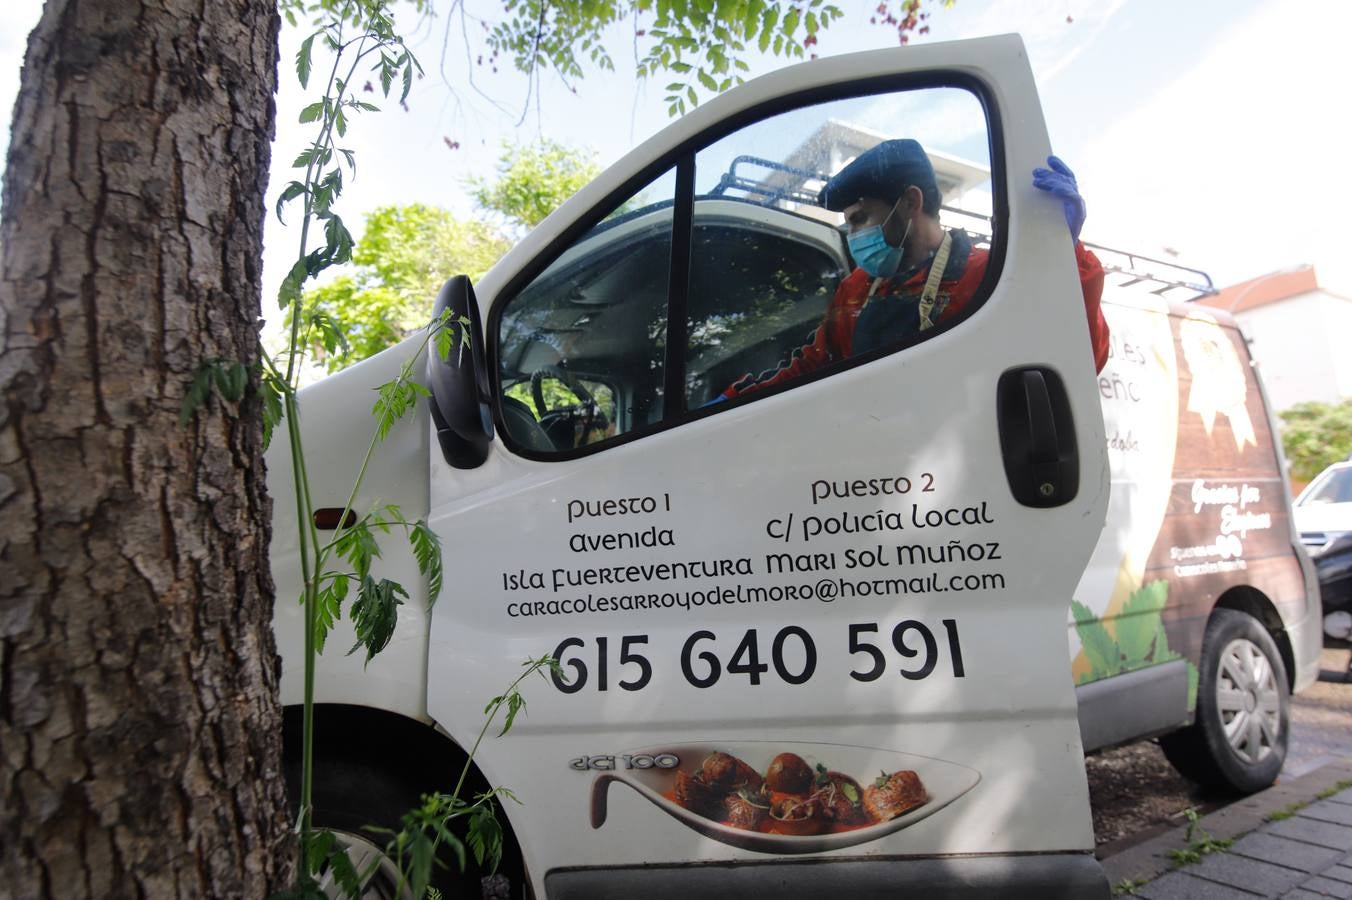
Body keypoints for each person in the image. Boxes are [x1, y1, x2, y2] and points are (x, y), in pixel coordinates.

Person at [714, 140, 1109, 402]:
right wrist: (727, 405)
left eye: (860, 218)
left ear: (909, 203)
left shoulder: (989, 274)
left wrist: (1065, 255)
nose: (853, 235)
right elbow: (811, 368)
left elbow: (1079, 361)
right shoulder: (856, 289)